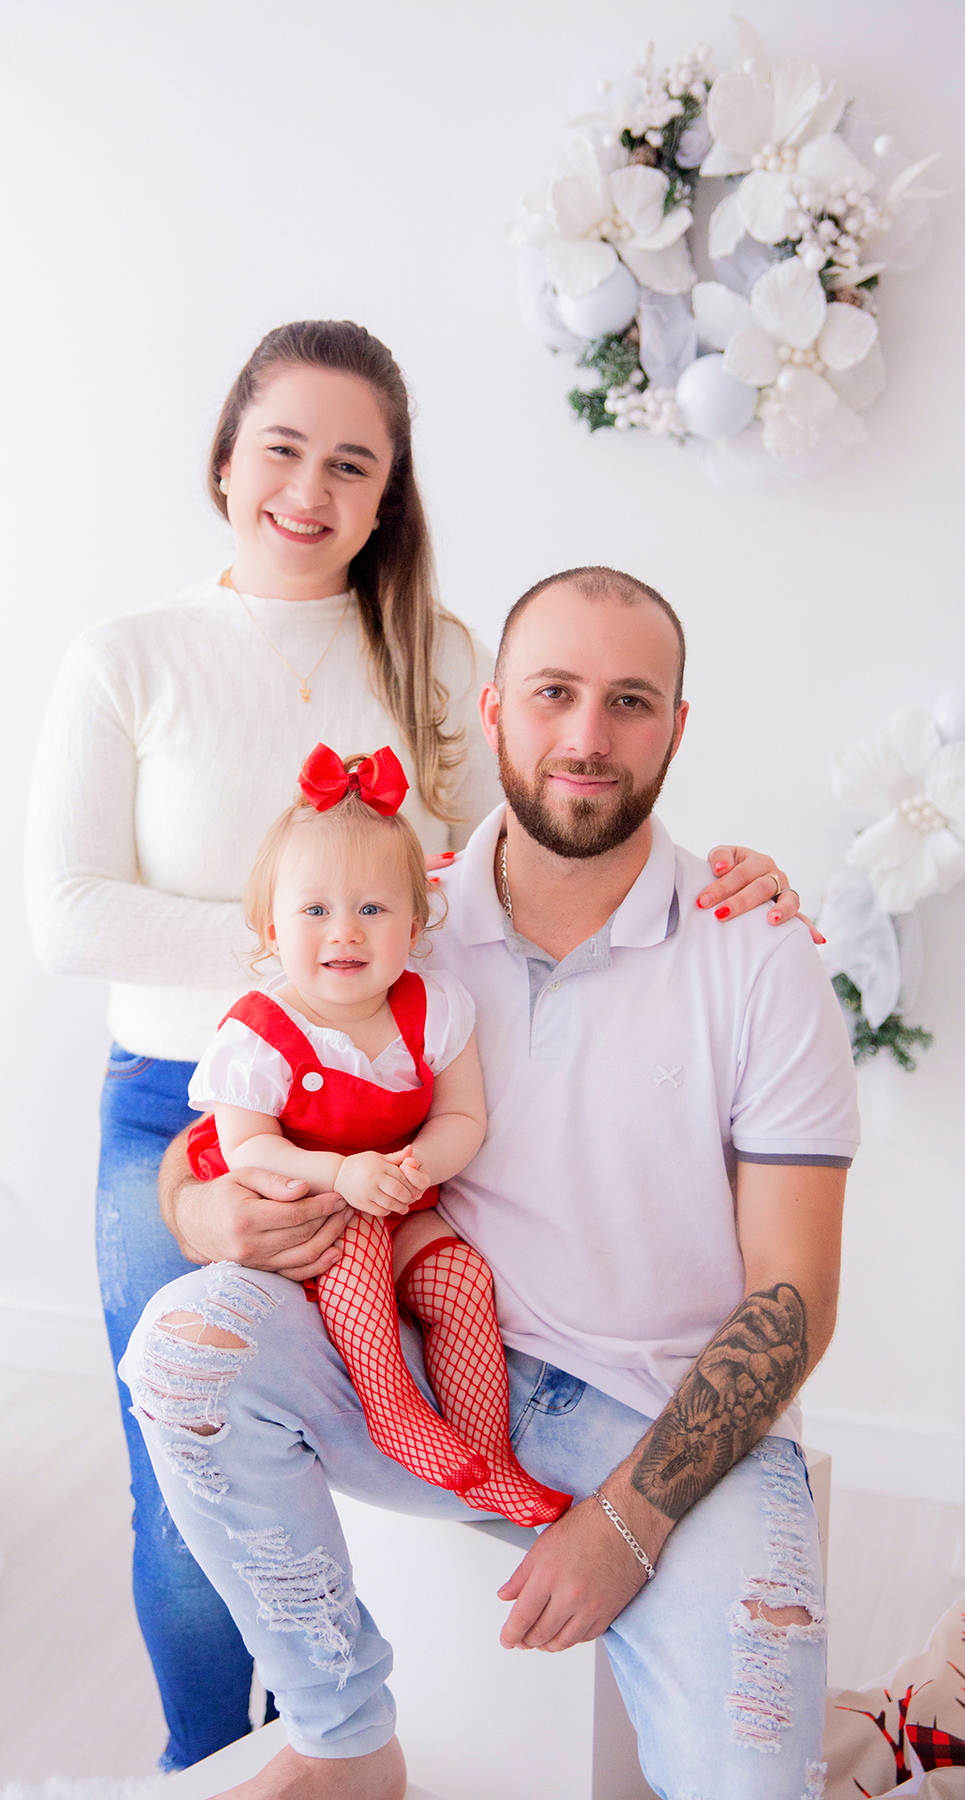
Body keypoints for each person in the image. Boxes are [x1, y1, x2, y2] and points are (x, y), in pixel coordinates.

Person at [26, 314, 805, 1772]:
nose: (309, 491)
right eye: (281, 451)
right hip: (184, 1106)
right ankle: (225, 1755)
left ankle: (360, 1694)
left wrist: (721, 879)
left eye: (353, 465)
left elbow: (520, 848)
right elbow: (69, 917)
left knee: (387, 1356)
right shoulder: (131, 654)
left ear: (390, 497)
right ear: (223, 463)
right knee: (174, 1461)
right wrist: (317, 958)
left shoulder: (434, 654)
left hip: (396, 1117)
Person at [123, 565, 859, 1800]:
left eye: (630, 702)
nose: (587, 734)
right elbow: (228, 1109)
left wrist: (628, 1523)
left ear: (677, 730)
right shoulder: (396, 909)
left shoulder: (759, 955)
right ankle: (344, 1742)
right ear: (493, 707)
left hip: (666, 1415)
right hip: (409, 1366)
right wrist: (203, 1209)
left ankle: (872, 1736)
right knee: (188, 1346)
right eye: (555, 692)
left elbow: (797, 1296)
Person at [181, 740, 568, 1527]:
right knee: (356, 1243)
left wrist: (415, 1165)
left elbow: (464, 1116)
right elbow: (248, 1147)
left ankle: (488, 1457)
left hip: (397, 1195)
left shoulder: (436, 1009)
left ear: (417, 922)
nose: (345, 934)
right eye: (316, 911)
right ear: (270, 925)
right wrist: (341, 1176)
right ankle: (392, 1412)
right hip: (307, 1211)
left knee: (461, 1281)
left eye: (372, 909)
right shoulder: (260, 1033)